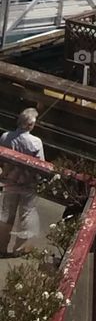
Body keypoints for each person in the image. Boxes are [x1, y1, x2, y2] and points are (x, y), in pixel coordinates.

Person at [0, 107, 45, 256]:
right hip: (27, 184)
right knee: (27, 214)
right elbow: (40, 166)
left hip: (10, 181)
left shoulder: (5, 137)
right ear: (30, 125)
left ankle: (1, 245)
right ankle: (20, 249)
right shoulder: (36, 142)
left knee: (6, 214)